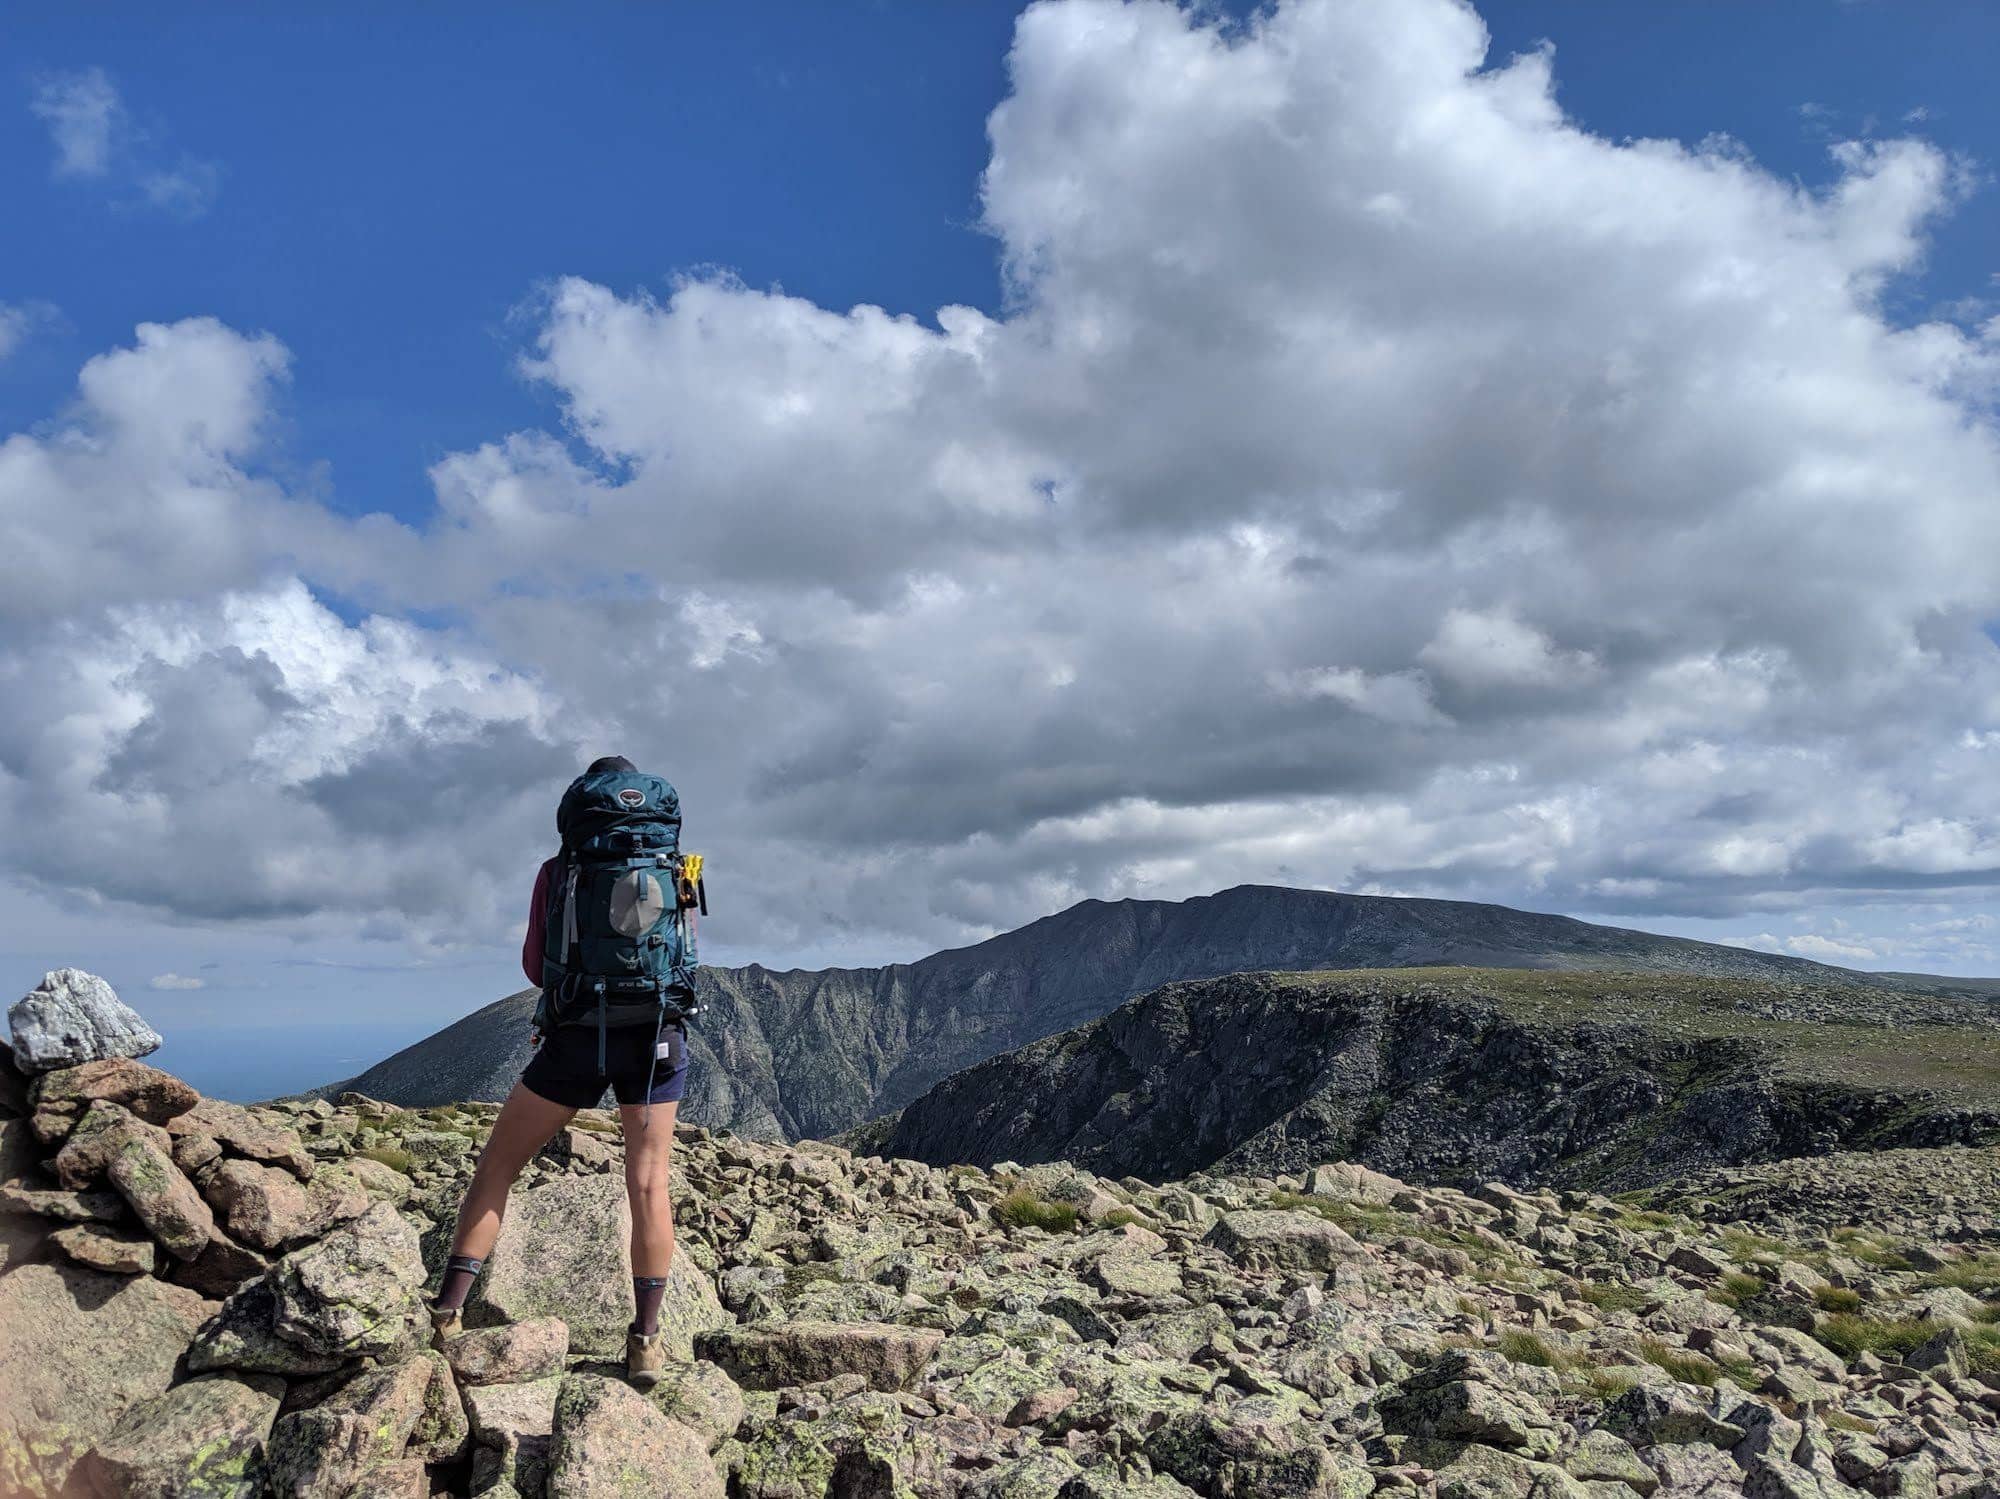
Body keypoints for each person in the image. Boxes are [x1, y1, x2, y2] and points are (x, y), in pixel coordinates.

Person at [427, 755, 694, 1388]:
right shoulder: (678, 866)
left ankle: (445, 1316)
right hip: (656, 1036)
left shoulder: (560, 871)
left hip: (577, 1038)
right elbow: (683, 952)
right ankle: (646, 1342)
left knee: (498, 1169)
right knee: (649, 1185)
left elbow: (534, 965)